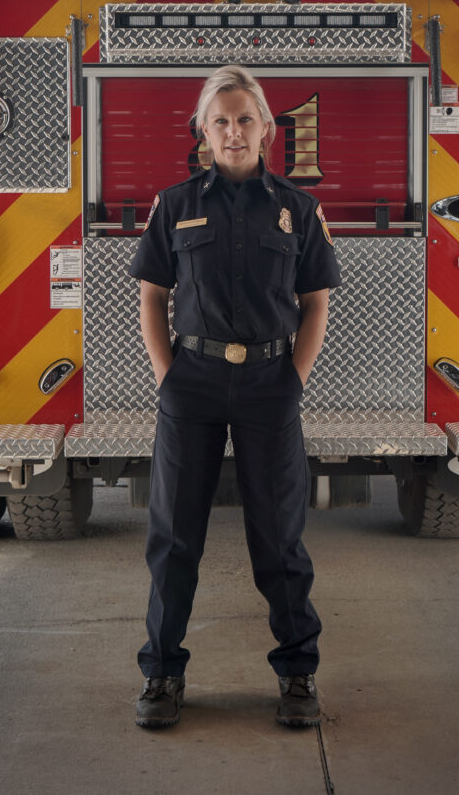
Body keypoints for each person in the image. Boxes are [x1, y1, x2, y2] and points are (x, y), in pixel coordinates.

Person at [129, 63, 342, 729]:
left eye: (244, 118)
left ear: (268, 129)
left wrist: (293, 378)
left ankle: (298, 673)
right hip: (191, 384)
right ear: (202, 130)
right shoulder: (175, 205)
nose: (233, 130)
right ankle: (162, 673)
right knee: (174, 536)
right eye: (220, 120)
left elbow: (316, 303)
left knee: (278, 536)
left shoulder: (300, 210)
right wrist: (167, 374)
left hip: (269, 386)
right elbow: (151, 297)